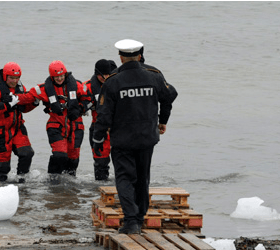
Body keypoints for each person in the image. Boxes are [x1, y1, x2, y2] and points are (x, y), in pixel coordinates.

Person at [93, 39, 178, 234]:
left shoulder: (113, 81)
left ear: (121, 57)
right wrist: (162, 121)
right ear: (139, 56)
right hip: (147, 138)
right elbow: (170, 96)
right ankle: (139, 218)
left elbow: (103, 115)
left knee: (124, 178)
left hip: (122, 140)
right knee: (142, 178)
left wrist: (98, 139)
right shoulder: (154, 75)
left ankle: (131, 221)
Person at [16, 60, 91, 180]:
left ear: (65, 74)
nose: (60, 78)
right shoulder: (43, 89)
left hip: (76, 126)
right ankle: (52, 180)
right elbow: (26, 98)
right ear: (52, 76)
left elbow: (88, 99)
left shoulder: (76, 86)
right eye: (57, 77)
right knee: (60, 155)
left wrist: (80, 108)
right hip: (56, 125)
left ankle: (69, 185)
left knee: (73, 158)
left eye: (61, 75)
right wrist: (10, 98)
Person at [0, 62, 36, 183]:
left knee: (27, 153)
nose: (15, 81)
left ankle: (22, 182)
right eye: (12, 78)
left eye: (17, 78)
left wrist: (34, 103)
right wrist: (8, 105)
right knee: (3, 167)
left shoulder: (20, 88)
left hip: (16, 127)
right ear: (5, 76)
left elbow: (23, 108)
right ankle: (0, 187)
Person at [84, 59, 116, 181]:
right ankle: (100, 190)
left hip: (117, 129)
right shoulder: (88, 86)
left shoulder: (117, 84)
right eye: (101, 75)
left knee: (121, 162)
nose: (105, 77)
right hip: (98, 128)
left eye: (107, 74)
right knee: (100, 163)